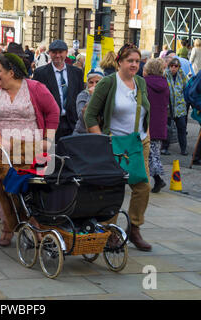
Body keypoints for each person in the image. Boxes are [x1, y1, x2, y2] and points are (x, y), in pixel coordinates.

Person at [0, 52, 60, 247]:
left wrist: (48, 140)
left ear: (12, 72)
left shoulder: (35, 88)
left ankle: (34, 222)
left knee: (28, 187)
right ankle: (9, 225)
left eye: (0, 70)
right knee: (5, 187)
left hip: (31, 147)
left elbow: (53, 111)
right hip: (3, 149)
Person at [84, 43, 152, 252]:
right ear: (119, 62)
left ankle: (134, 228)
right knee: (114, 187)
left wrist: (146, 135)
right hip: (114, 143)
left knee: (143, 186)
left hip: (138, 143)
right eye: (130, 61)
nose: (134, 65)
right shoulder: (108, 83)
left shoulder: (140, 82)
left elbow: (143, 112)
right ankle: (109, 231)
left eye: (137, 61)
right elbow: (89, 116)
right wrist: (103, 142)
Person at [33, 39, 84, 141]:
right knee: (51, 154)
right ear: (50, 53)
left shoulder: (76, 72)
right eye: (54, 53)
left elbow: (79, 95)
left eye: (60, 52)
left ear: (66, 53)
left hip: (71, 122)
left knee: (71, 154)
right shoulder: (41, 73)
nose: (57, 55)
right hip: (50, 123)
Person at [143, 58, 170, 193]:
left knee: (148, 154)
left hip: (146, 124)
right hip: (159, 123)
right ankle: (157, 179)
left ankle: (158, 179)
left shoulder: (144, 83)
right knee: (154, 153)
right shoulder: (165, 83)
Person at [162, 58, 188, 156]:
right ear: (169, 66)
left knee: (182, 127)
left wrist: (183, 99)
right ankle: (165, 148)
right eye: (171, 66)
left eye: (176, 66)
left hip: (179, 106)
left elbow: (187, 87)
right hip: (168, 106)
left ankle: (183, 149)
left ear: (179, 67)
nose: (173, 68)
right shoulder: (165, 74)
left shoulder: (182, 75)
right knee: (167, 127)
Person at [73, 68, 104, 135]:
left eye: (97, 82)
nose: (94, 85)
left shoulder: (106, 95)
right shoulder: (83, 95)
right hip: (82, 133)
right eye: (91, 82)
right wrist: (92, 96)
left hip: (101, 133)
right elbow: (82, 116)